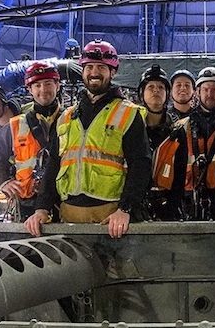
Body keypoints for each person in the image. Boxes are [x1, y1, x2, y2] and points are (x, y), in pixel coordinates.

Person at [24, 39, 151, 239]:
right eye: (89, 67)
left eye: (101, 67)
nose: (94, 72)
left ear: (113, 72)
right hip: (69, 213)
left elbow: (140, 164)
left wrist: (126, 209)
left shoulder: (128, 113)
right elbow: (54, 165)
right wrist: (42, 208)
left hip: (110, 217)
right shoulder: (66, 117)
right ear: (82, 71)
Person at [153, 67, 215, 220]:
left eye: (214, 89)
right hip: (189, 201)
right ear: (197, 92)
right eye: (205, 89)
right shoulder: (183, 126)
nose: (209, 94)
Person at [0, 61, 62, 222]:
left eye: (48, 83)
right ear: (30, 89)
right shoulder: (15, 126)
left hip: (64, 202)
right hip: (28, 205)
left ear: (57, 85)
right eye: (37, 85)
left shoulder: (72, 120)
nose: (43, 90)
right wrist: (3, 181)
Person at [138, 64, 174, 151]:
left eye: (161, 87)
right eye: (151, 87)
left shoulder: (175, 127)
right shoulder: (131, 123)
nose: (156, 90)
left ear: (167, 94)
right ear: (142, 94)